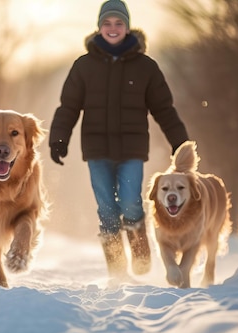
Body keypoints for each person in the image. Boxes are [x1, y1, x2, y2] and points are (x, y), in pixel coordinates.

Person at [48, 0, 189, 281]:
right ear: (99, 27)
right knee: (107, 210)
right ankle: (116, 267)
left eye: (118, 23)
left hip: (132, 150)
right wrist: (59, 139)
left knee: (131, 203)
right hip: (96, 150)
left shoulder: (146, 67)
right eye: (107, 23)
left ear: (127, 27)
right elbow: (68, 107)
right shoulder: (84, 66)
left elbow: (164, 109)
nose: (113, 28)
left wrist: (180, 144)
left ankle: (139, 250)